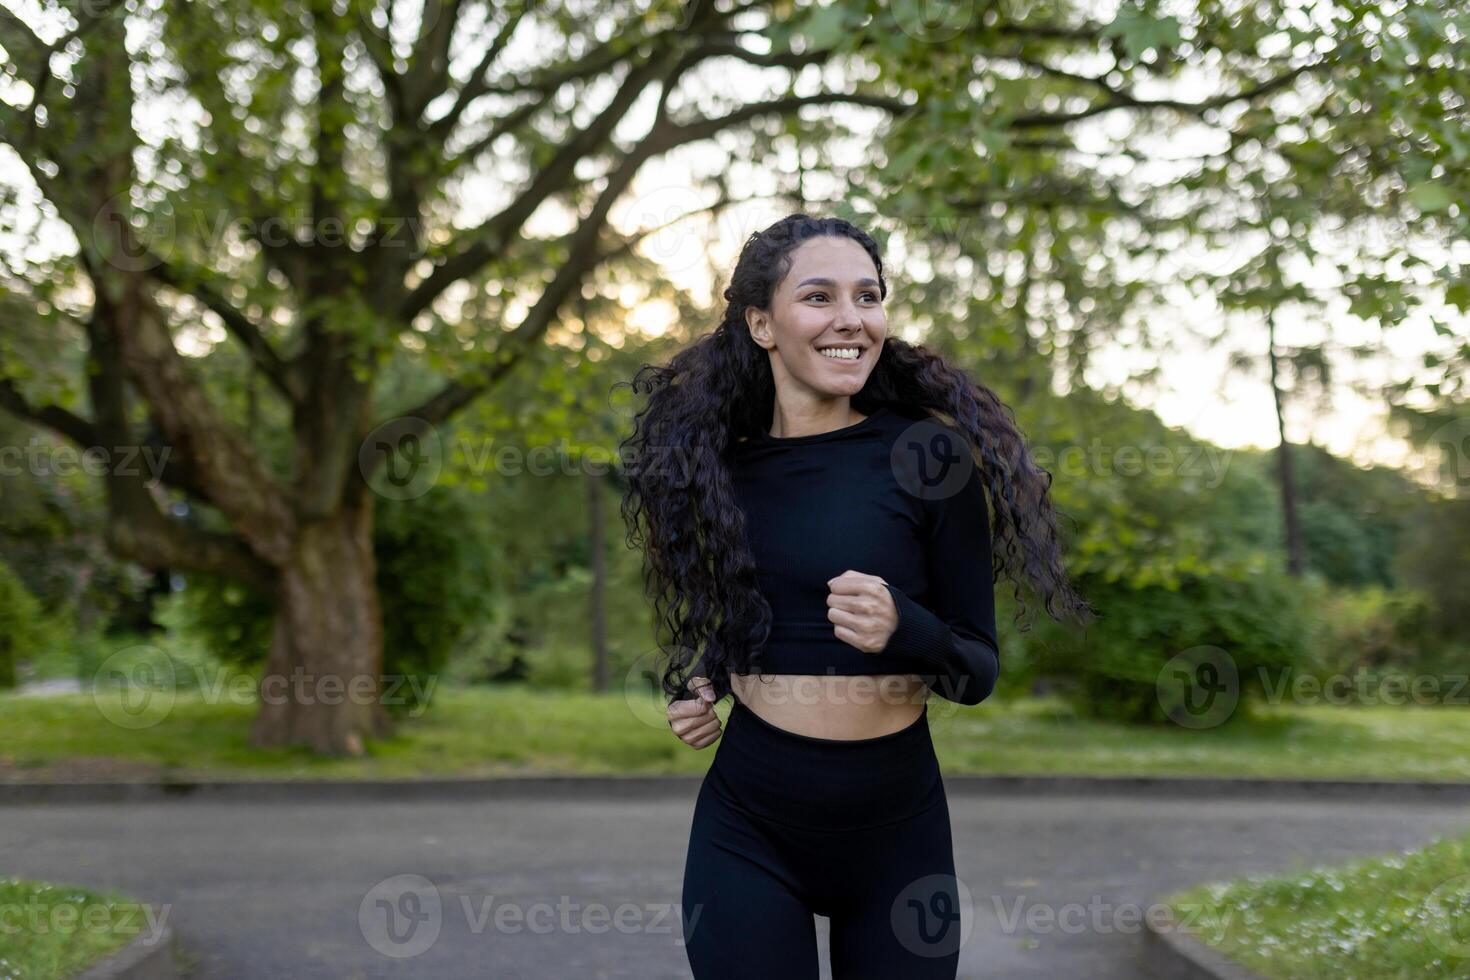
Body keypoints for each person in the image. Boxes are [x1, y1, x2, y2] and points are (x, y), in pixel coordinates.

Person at [616, 213, 1094, 979]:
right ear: (762, 324)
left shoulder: (927, 456)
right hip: (748, 824)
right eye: (820, 297)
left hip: (895, 833)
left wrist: (908, 628)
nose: (851, 319)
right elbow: (747, 611)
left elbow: (975, 672)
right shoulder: (719, 466)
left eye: (867, 297)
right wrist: (705, 678)